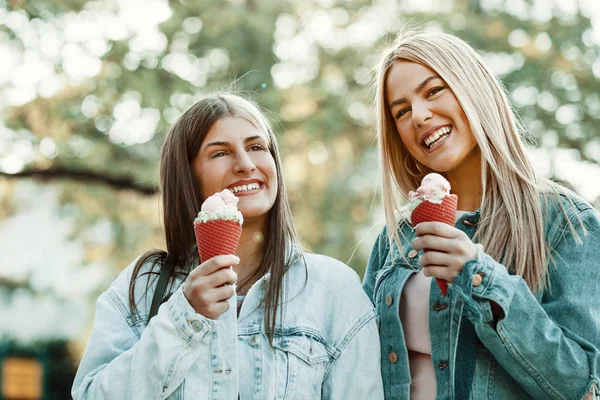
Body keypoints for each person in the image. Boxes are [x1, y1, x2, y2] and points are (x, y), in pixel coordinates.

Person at [72, 92, 384, 399]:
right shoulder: (143, 287)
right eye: (220, 152)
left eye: (257, 147)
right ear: (188, 176)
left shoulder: (333, 290)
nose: (246, 164)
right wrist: (184, 317)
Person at [363, 29, 600, 400]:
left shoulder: (565, 222)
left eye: (433, 91)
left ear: (473, 89)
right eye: (402, 111)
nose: (420, 116)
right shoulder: (395, 238)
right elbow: (358, 365)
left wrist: (478, 274)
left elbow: (580, 386)